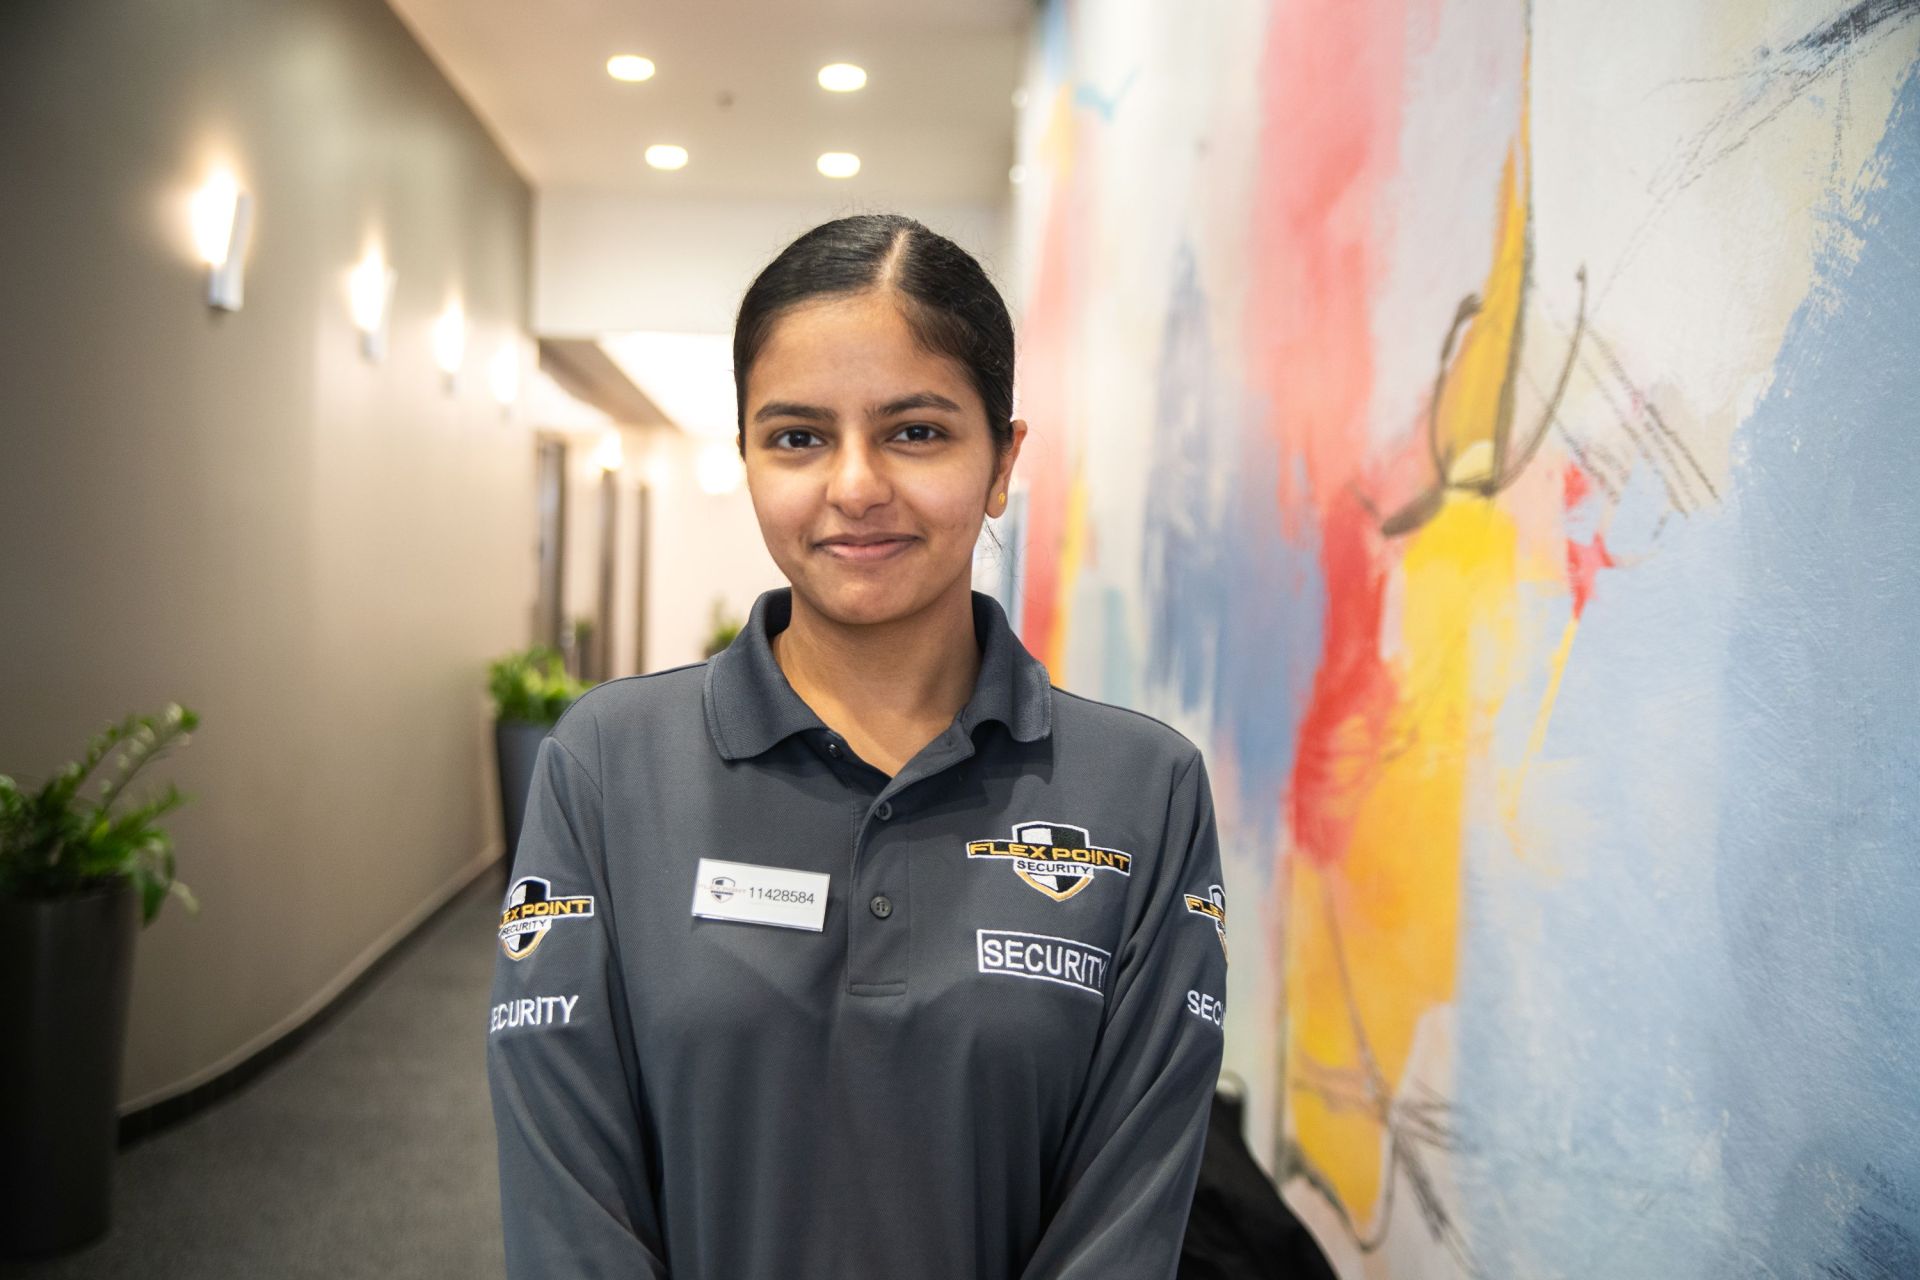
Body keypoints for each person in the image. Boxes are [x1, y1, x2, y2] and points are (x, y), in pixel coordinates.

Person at [487, 213, 1229, 1279]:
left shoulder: (1142, 793)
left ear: (1002, 459)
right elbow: (567, 1201)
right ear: (745, 452)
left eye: (916, 431)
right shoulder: (606, 765)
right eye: (797, 436)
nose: (854, 485)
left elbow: (1126, 1209)